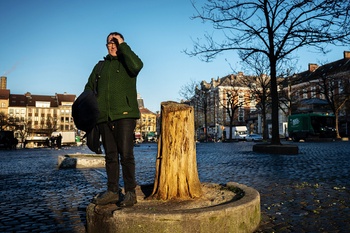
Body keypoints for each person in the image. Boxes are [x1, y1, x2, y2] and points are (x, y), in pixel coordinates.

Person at [84, 32, 143, 207]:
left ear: (121, 43)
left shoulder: (128, 62)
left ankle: (130, 192)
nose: (112, 45)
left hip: (125, 114)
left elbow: (137, 66)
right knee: (110, 156)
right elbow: (88, 88)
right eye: (109, 42)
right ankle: (112, 191)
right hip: (104, 117)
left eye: (115, 42)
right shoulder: (100, 67)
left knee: (126, 154)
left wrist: (123, 45)